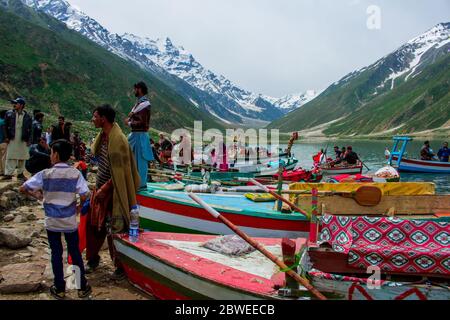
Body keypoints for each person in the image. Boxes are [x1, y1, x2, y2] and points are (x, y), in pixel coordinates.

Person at [19, 139, 92, 300]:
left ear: (56, 154)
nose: (50, 155)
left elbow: (23, 188)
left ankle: (59, 288)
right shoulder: (75, 173)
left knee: (56, 253)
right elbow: (85, 193)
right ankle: (81, 287)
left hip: (52, 221)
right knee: (74, 252)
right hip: (69, 221)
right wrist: (78, 207)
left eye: (51, 152)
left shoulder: (45, 174)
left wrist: (39, 196)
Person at [86, 104, 140, 280]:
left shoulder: (118, 141)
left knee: (115, 228)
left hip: (114, 192)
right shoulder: (103, 137)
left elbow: (120, 173)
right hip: (100, 189)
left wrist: (105, 188)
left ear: (103, 118)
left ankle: (120, 266)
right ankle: (93, 259)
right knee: (94, 225)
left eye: (95, 116)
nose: (93, 119)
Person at [125, 82, 154, 190]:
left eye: (135, 89)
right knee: (134, 160)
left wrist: (129, 123)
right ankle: (135, 183)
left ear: (139, 89)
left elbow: (142, 123)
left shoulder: (144, 104)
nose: (134, 91)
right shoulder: (141, 104)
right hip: (137, 135)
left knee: (139, 161)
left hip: (139, 135)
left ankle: (140, 185)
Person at [2, 97, 32, 181]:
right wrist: (6, 137)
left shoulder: (28, 116)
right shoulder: (9, 113)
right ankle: (8, 173)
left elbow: (30, 129)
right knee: (10, 156)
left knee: (22, 156)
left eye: (16, 103)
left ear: (21, 105)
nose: (14, 105)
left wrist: (29, 140)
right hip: (12, 137)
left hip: (23, 138)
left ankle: (20, 173)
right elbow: (5, 127)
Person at [0, 110, 7, 176]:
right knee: (4, 158)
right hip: (3, 142)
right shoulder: (4, 122)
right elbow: (5, 132)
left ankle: (0, 171)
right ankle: (4, 172)